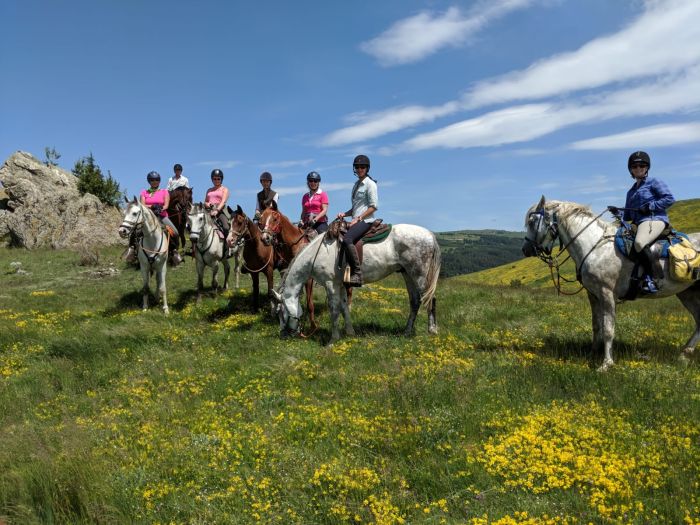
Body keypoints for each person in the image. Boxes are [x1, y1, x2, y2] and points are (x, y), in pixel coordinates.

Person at [617, 151, 675, 293]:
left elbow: (669, 198)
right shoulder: (630, 192)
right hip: (640, 223)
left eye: (642, 165)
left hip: (654, 219)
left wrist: (650, 206)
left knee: (639, 243)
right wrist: (618, 212)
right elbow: (628, 215)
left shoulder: (654, 182)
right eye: (635, 166)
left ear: (647, 167)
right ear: (631, 169)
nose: (638, 168)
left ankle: (655, 279)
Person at [335, 154, 378, 287]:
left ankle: (358, 274)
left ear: (367, 168)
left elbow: (373, 207)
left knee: (347, 239)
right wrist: (345, 214)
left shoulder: (370, 184)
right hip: (356, 219)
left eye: (362, 167)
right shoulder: (356, 185)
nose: (360, 169)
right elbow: (355, 208)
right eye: (357, 167)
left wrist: (359, 218)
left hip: (366, 221)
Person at [124, 171, 182, 265]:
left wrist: (160, 208)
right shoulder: (144, 192)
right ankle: (131, 249)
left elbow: (166, 205)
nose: (154, 181)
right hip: (147, 217)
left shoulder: (164, 192)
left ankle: (174, 252)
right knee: (135, 230)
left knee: (174, 232)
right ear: (149, 181)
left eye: (156, 180)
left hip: (161, 216)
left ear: (159, 181)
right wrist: (152, 207)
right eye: (152, 180)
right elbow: (142, 205)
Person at [204, 168, 231, 244]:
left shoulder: (224, 189)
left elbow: (223, 201)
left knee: (226, 227)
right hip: (208, 210)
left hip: (220, 211)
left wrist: (216, 210)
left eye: (218, 179)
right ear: (212, 179)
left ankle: (227, 246)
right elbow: (205, 201)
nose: (216, 180)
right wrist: (208, 204)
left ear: (221, 179)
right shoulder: (209, 190)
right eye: (214, 179)